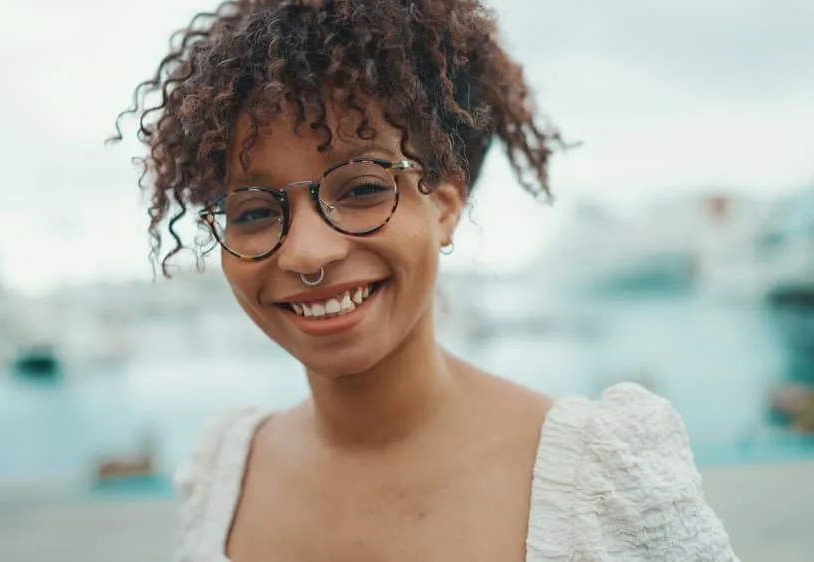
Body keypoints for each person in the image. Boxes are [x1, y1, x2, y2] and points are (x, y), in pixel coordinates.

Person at [114, 0, 739, 560]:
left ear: (444, 205)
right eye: (252, 211)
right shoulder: (225, 472)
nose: (306, 252)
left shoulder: (601, 478)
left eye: (361, 188)